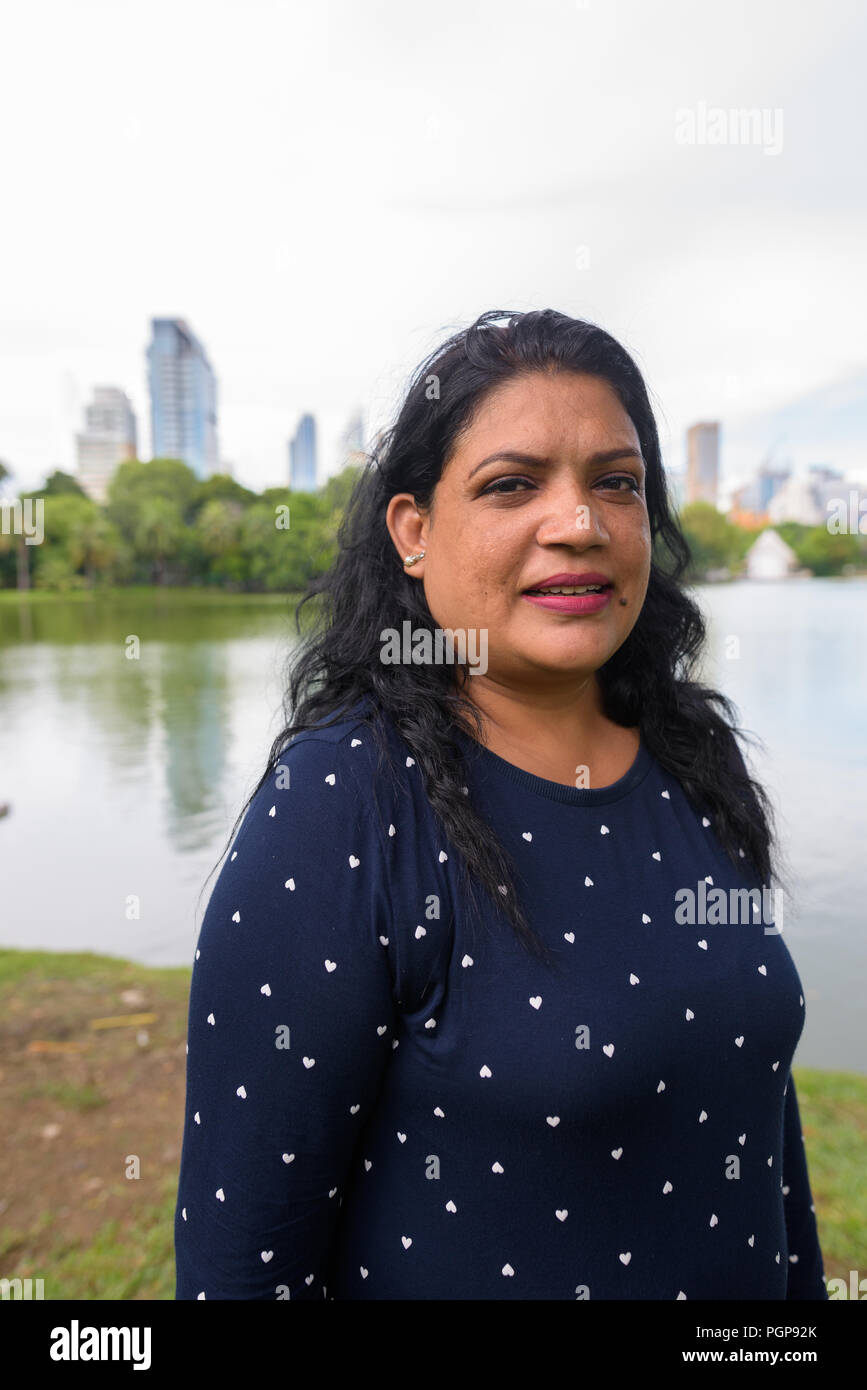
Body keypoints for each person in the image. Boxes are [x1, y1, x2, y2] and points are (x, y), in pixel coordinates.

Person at [174, 307, 827, 1300]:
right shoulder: (344, 803)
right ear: (414, 533)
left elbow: (762, 1134)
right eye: (513, 484)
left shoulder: (700, 756)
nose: (579, 523)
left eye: (617, 482)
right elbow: (242, 1262)